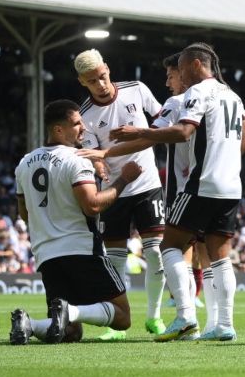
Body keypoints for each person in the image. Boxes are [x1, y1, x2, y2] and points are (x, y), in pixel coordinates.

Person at [109, 43, 245, 342]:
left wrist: (140, 132)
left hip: (200, 185)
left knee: (170, 246)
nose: (181, 75)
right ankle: (224, 324)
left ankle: (185, 317)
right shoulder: (233, 96)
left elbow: (183, 132)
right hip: (231, 186)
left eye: (183, 67)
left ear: (198, 64)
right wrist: (222, 155)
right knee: (219, 256)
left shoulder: (197, 93)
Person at [9, 99, 141, 345]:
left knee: (70, 333)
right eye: (77, 123)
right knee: (122, 316)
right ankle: (70, 310)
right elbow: (92, 206)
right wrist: (124, 179)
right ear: (59, 130)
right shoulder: (77, 159)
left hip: (46, 254)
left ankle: (30, 324)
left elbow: (25, 214)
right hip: (81, 249)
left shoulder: (24, 163)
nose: (84, 128)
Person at [75, 49, 167, 340]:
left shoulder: (137, 90)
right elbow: (93, 154)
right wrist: (100, 167)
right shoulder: (85, 115)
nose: (100, 84)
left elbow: (164, 121)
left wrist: (140, 132)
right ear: (82, 82)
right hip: (114, 192)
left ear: (108, 69)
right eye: (92, 81)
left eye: (102, 77)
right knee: (114, 259)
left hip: (148, 183)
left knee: (154, 252)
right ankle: (118, 323)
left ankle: (154, 317)